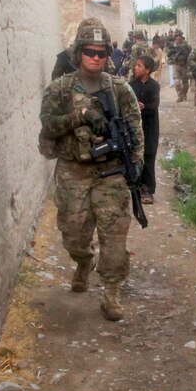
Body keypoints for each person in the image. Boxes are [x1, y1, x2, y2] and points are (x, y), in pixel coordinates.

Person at [38, 18, 144, 322]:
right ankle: (83, 261)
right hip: (73, 171)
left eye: (101, 52)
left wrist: (135, 167)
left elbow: (136, 130)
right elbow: (48, 126)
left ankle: (111, 291)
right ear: (78, 52)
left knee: (114, 235)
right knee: (72, 235)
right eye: (90, 52)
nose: (96, 57)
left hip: (111, 173)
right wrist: (81, 115)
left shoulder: (121, 89)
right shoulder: (59, 89)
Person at [129, 55, 160, 205]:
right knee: (134, 156)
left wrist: (142, 106)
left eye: (139, 65)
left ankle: (147, 190)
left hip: (149, 127)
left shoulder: (154, 86)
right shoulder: (130, 85)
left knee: (148, 156)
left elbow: (153, 106)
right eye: (136, 65)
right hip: (134, 127)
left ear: (147, 70)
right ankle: (135, 188)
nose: (135, 68)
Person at [171, 30, 192, 103]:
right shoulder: (173, 45)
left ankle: (184, 93)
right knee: (176, 82)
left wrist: (189, 62)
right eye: (177, 36)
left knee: (185, 83)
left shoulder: (186, 45)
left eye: (180, 35)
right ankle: (180, 96)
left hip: (184, 66)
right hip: (176, 65)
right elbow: (169, 53)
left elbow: (191, 54)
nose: (178, 37)